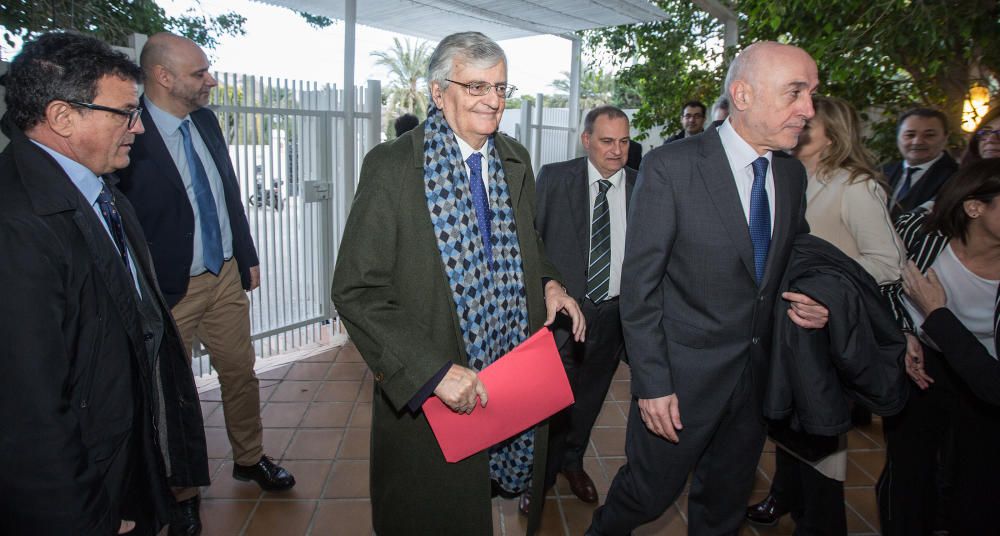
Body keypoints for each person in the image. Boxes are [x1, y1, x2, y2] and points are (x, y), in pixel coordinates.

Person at [331, 31, 585, 535]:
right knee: (437, 512)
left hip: (510, 365)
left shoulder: (514, 159)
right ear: (437, 90)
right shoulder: (394, 166)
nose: (493, 101)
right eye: (475, 87)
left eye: (501, 88)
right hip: (434, 374)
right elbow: (357, 290)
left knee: (490, 492)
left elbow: (524, 241)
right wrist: (431, 372)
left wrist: (550, 284)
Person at [586, 41, 830, 536]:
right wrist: (653, 383)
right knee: (645, 496)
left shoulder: (790, 173)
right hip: (681, 383)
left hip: (756, 382)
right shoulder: (673, 166)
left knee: (725, 505)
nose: (808, 109)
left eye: (812, 94)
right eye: (795, 93)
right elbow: (641, 282)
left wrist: (817, 295)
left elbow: (794, 251)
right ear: (743, 95)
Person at [0, 31, 209, 535]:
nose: (137, 128)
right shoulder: (18, 227)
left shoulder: (100, 187)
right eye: (124, 113)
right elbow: (29, 412)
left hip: (121, 462)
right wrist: (86, 517)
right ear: (62, 117)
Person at [118, 32, 295, 535]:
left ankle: (249, 456)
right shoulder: (130, 130)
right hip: (170, 288)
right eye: (200, 73)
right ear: (163, 77)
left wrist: (246, 253)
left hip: (222, 276)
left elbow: (226, 192)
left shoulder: (207, 122)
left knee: (241, 370)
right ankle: (183, 490)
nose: (210, 80)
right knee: (173, 395)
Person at [746, 95, 905, 534]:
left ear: (832, 136)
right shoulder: (791, 177)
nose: (796, 128)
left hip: (826, 330)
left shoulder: (855, 186)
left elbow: (888, 262)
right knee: (787, 419)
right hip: (789, 326)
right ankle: (783, 497)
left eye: (807, 125)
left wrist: (830, 291)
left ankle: (819, 523)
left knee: (821, 436)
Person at [878, 158, 1000, 536]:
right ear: (974, 207)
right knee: (910, 472)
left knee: (979, 481)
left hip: (986, 373)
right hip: (922, 364)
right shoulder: (920, 231)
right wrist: (903, 332)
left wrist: (935, 313)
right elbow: (883, 284)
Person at [535, 105, 636, 506]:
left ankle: (572, 462)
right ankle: (538, 479)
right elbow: (533, 240)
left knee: (590, 398)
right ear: (586, 140)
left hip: (611, 317)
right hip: (561, 317)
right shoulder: (555, 179)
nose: (616, 151)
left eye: (624, 142)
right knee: (549, 400)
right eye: (607, 141)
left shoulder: (645, 186)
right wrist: (549, 287)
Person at [883, 108, 958, 218]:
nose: (917, 141)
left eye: (929, 135)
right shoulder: (881, 172)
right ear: (897, 138)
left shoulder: (957, 177)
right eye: (910, 135)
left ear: (945, 138)